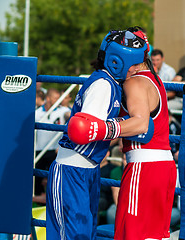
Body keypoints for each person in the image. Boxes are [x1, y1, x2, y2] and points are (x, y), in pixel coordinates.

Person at [45, 28, 150, 240]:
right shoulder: (103, 85)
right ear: (117, 61)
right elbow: (84, 130)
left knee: (86, 234)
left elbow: (101, 129)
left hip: (87, 170)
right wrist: (123, 124)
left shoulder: (113, 84)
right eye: (135, 63)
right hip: (72, 171)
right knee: (74, 236)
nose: (137, 69)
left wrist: (120, 125)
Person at [114, 32, 176, 239]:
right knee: (154, 236)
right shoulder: (156, 80)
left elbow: (140, 123)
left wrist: (104, 128)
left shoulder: (135, 83)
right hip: (163, 166)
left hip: (144, 168)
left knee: (131, 233)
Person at [34, 88, 69, 196]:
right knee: (37, 180)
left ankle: (53, 199)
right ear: (48, 98)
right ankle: (37, 203)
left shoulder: (62, 110)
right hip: (39, 150)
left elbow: (69, 114)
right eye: (55, 98)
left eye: (59, 99)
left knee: (54, 178)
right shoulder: (37, 112)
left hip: (55, 150)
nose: (58, 101)